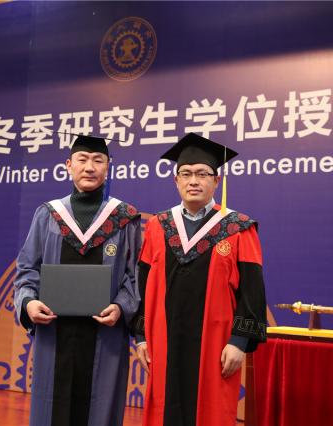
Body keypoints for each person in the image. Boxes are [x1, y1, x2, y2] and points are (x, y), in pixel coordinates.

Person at [133, 133, 267, 426]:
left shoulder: (238, 227)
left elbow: (252, 291)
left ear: (216, 181)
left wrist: (239, 341)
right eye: (186, 173)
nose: (193, 181)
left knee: (211, 411)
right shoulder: (158, 226)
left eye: (202, 174)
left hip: (215, 346)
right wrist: (141, 335)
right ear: (176, 180)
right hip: (163, 341)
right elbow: (141, 284)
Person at [14, 135, 141, 426]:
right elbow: (27, 269)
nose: (90, 167)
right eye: (82, 160)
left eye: (98, 160)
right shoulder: (47, 215)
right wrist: (29, 302)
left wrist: (120, 307)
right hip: (54, 333)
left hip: (105, 337)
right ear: (69, 165)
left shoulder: (125, 218)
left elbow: (136, 276)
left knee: (99, 408)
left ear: (108, 167)